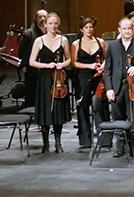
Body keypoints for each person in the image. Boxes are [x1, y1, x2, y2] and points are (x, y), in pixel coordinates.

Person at [104, 17, 134, 158]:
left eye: (129, 28)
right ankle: (120, 147)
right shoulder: (112, 45)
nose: (127, 31)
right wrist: (109, 88)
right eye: (124, 28)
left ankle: (133, 147)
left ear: (133, 29)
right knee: (118, 117)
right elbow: (108, 69)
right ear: (119, 30)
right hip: (117, 87)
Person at [28, 12, 73, 153]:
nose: (53, 26)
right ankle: (45, 144)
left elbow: (69, 59)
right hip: (45, 79)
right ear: (45, 25)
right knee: (46, 110)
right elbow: (32, 62)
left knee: (58, 110)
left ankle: (58, 143)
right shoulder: (39, 41)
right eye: (50, 23)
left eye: (55, 23)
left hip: (58, 78)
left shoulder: (63, 40)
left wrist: (62, 64)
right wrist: (46, 66)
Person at [70, 16, 107, 148]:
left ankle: (105, 138)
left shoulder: (100, 42)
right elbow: (74, 63)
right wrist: (89, 66)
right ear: (81, 29)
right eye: (86, 27)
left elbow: (106, 58)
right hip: (82, 76)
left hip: (97, 75)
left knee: (100, 104)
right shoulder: (76, 44)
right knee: (83, 106)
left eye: (91, 27)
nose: (89, 29)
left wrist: (102, 66)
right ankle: (85, 139)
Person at [19, 9, 48, 109]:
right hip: (32, 69)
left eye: (44, 17)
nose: (42, 19)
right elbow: (22, 51)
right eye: (40, 17)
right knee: (32, 92)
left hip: (47, 67)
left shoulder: (54, 32)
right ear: (35, 19)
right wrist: (24, 65)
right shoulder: (28, 34)